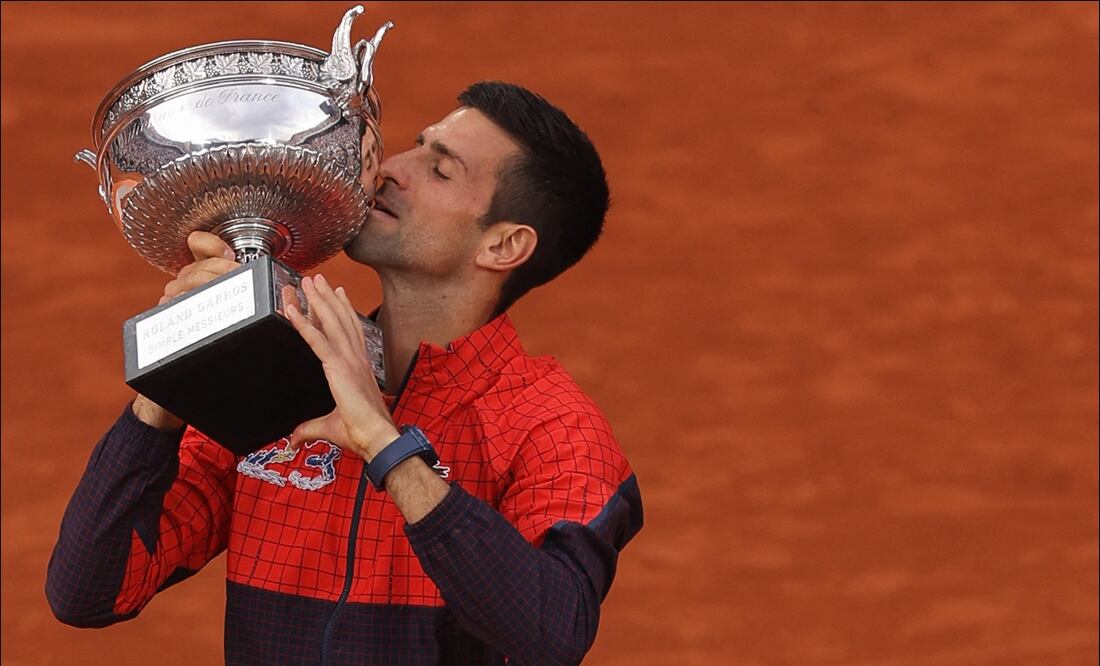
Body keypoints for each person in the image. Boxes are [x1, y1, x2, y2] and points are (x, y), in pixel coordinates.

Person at [46, 81, 644, 665]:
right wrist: (177, 378)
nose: (390, 168)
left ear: (504, 246)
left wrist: (386, 448)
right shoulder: (280, 370)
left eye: (440, 170)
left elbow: (553, 634)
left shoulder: (554, 428)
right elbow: (88, 593)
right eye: (415, 145)